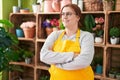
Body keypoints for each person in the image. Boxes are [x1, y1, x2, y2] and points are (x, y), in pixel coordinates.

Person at [40, 4, 94, 80]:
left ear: (77, 17)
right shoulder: (55, 35)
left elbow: (84, 61)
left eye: (69, 14)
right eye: (63, 14)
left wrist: (57, 63)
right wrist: (72, 55)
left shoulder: (86, 36)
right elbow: (43, 56)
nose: (65, 17)